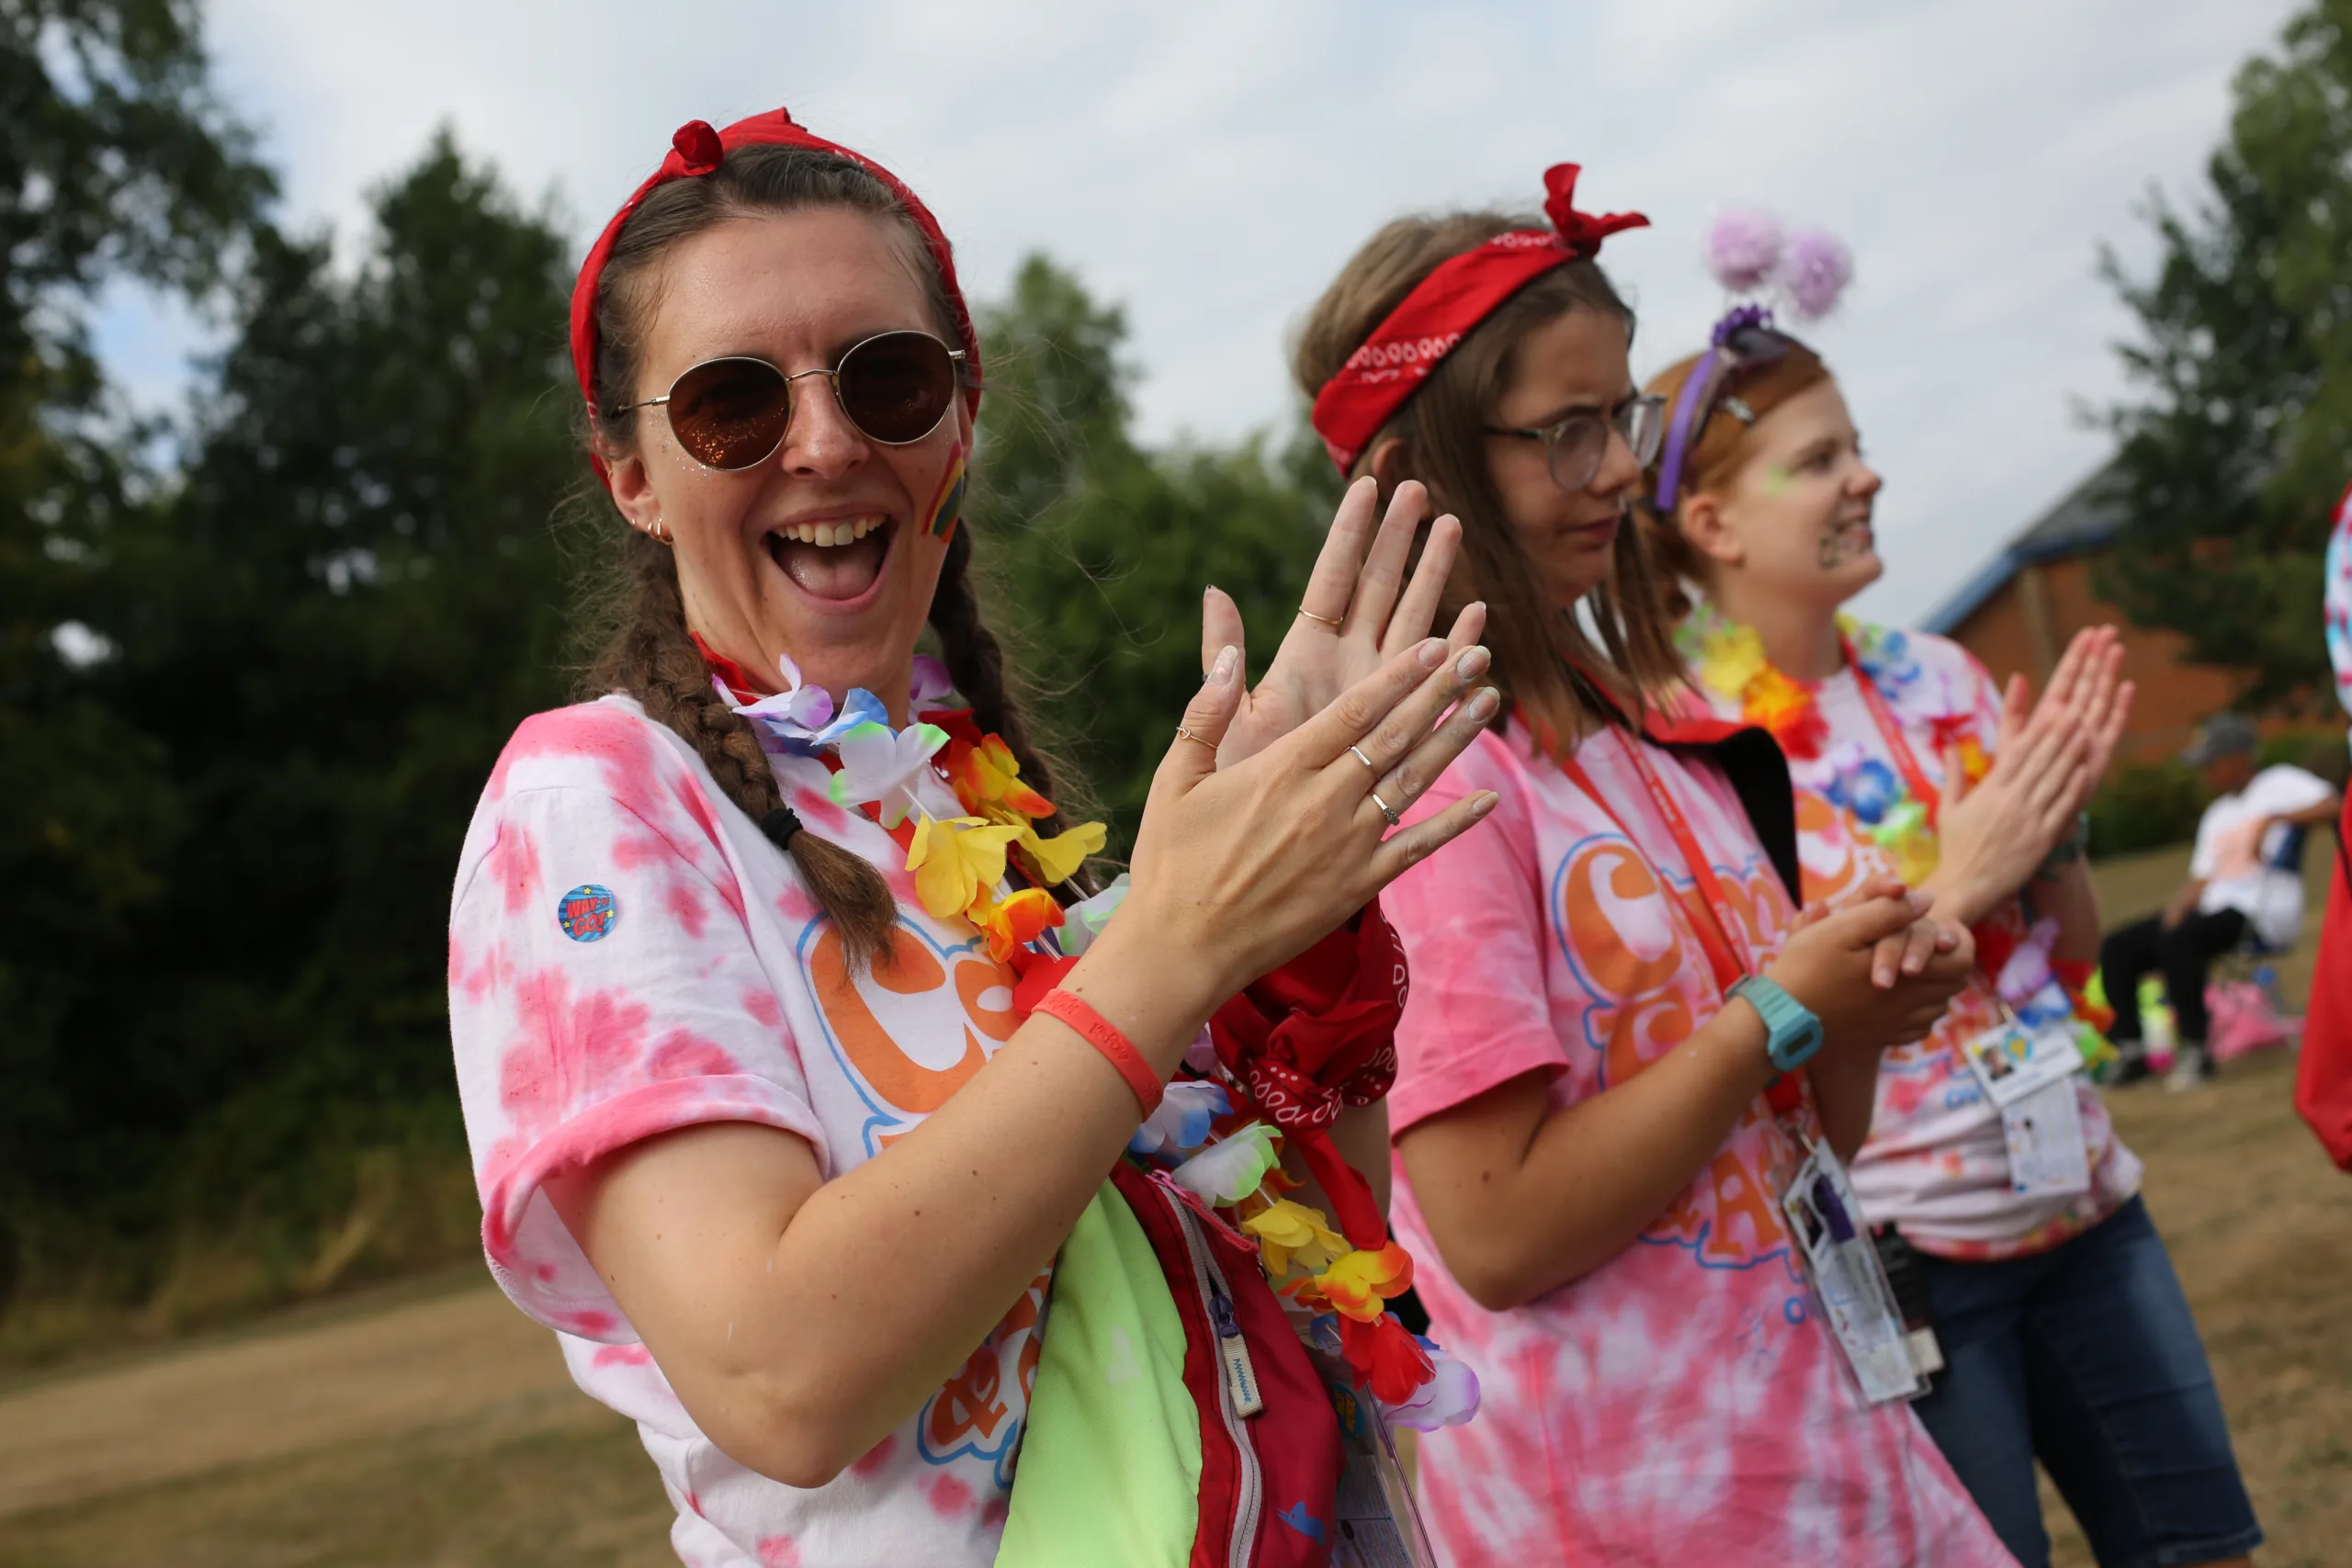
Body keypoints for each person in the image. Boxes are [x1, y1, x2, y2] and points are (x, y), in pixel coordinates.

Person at [446, 108, 1505, 1568]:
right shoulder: (593, 802)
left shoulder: (981, 807)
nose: (824, 443)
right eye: (731, 405)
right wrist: (1173, 944)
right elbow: (780, 1376)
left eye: (888, 378)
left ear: (959, 414)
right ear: (631, 472)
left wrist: (1296, 925)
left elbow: (1311, 1252)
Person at [1295, 164, 2014, 1566]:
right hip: (1643, 1506)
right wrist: (1782, 1009)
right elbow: (1495, 1229)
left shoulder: (1643, 735)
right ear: (1425, 462)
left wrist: (1853, 1005)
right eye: (1566, 431)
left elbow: (1783, 1147)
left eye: (1616, 416)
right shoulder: (1432, 776)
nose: (1623, 469)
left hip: (1830, 1462)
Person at [1645, 232, 2260, 1568]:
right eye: (1819, 460)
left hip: (2093, 1203)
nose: (1867, 474)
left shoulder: (1942, 674)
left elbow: (2070, 958)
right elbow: (1784, 1023)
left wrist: (2055, 838)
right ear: (1713, 524)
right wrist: (1965, 870)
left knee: (2201, 1546)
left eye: (1856, 444)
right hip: (1912, 1254)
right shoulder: (1685, 751)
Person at [2103, 711, 2342, 1089]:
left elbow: (2335, 805)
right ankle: (2131, 1050)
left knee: (2181, 939)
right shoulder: (2216, 814)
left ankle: (2197, 1052)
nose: (2206, 773)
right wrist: (2178, 905)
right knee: (2119, 945)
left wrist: (2273, 819)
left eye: (2210, 763)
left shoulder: (2278, 784)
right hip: (2213, 911)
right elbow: (2202, 878)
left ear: (2237, 758)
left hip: (2260, 914)